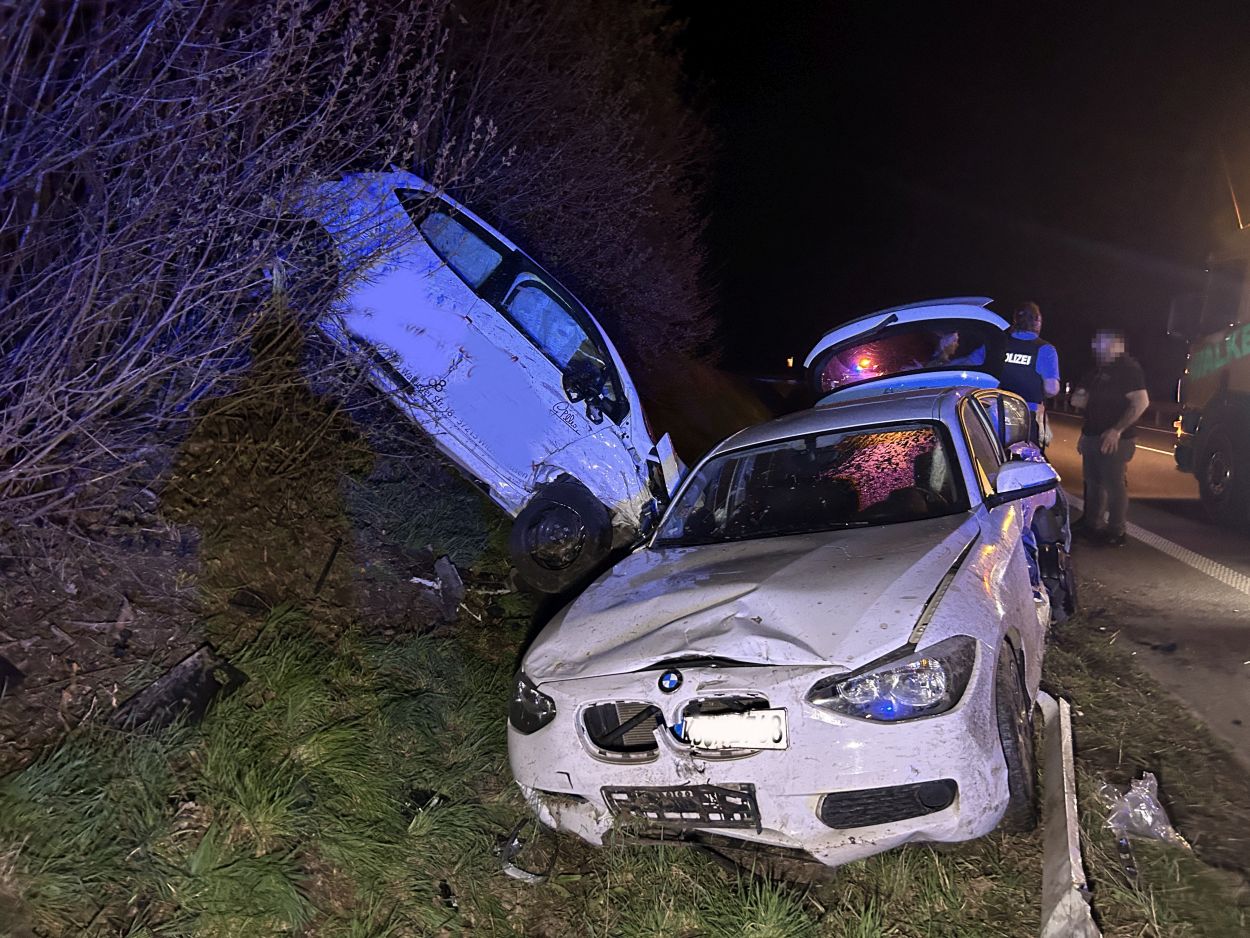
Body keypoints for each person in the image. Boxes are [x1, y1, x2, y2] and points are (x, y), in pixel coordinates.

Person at [1070, 328, 1149, 547]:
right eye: (1095, 343)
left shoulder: (1128, 369)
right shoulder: (1097, 371)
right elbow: (1079, 401)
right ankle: (1091, 524)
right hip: (1092, 434)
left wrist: (1117, 430)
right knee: (1092, 482)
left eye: (1101, 343)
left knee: (1114, 485)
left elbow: (1141, 402)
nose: (1096, 347)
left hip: (1116, 439)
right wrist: (1085, 434)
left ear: (1118, 345)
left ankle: (1116, 531)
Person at [997, 301, 1060, 447]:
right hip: (1027, 416)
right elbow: (1051, 389)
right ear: (1037, 321)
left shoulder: (1000, 344)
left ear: (1015, 320)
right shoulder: (1045, 349)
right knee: (1025, 456)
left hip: (996, 412)